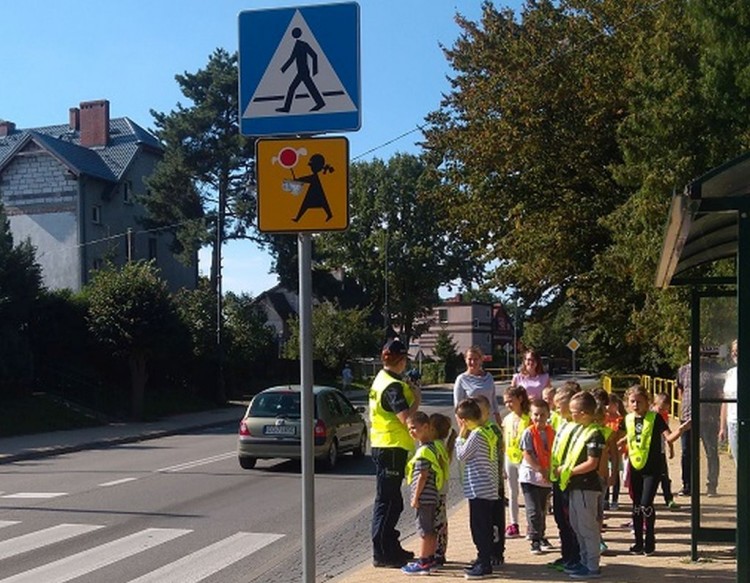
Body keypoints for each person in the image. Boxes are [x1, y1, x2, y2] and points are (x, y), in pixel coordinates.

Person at [369, 338, 421, 568]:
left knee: (392, 501)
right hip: (391, 447)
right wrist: (417, 399)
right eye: (404, 360)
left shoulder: (383, 379)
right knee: (388, 502)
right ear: (400, 360)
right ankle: (382, 553)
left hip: (386, 446)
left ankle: (391, 547)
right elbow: (405, 419)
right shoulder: (392, 387)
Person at [619, 385, 689, 556]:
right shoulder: (627, 419)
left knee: (645, 504)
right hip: (635, 467)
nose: (636, 405)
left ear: (647, 402)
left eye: (639, 402)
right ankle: (637, 542)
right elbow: (621, 438)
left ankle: (650, 540)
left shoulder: (655, 418)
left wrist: (682, 429)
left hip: (653, 468)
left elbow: (669, 437)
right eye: (632, 402)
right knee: (636, 506)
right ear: (627, 403)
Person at [555, 391, 605, 580]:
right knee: (577, 525)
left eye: (574, 411)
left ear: (584, 413)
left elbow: (592, 463)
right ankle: (584, 562)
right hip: (575, 486)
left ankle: (592, 565)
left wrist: (569, 471)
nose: (571, 414)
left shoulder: (595, 433)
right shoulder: (579, 429)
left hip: (587, 487)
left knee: (587, 527)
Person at [455, 398, 500, 580]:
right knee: (484, 525)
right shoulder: (487, 431)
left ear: (464, 420)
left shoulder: (475, 435)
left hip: (478, 489)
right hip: (488, 486)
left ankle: (484, 563)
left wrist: (460, 436)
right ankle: (483, 558)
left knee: (479, 527)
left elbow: (461, 455)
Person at [676, 347, 723, 496]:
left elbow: (720, 393)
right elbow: (680, 390)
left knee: (711, 452)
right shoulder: (683, 370)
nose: (694, 355)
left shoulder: (711, 371)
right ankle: (687, 485)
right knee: (686, 453)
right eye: (691, 352)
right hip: (688, 417)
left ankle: (712, 485)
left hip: (708, 418)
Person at [401, 411, 443, 575]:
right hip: (432, 495)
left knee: (424, 530)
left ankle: (423, 561)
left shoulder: (423, 452)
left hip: (424, 496)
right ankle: (430, 558)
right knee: (430, 529)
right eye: (409, 429)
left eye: (414, 428)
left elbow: (423, 477)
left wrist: (415, 497)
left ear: (426, 427)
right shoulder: (433, 447)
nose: (411, 432)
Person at [547, 383, 582, 573]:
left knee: (571, 521)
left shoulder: (577, 426)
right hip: (557, 477)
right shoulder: (562, 423)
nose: (555, 409)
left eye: (559, 405)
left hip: (569, 479)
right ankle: (566, 554)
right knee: (561, 519)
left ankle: (575, 556)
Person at [519, 398, 556, 555]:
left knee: (542, 509)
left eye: (542, 415)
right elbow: (527, 453)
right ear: (530, 415)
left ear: (548, 415)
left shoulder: (552, 432)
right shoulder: (528, 433)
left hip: (546, 478)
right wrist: (540, 469)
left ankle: (541, 535)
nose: (539, 418)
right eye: (535, 415)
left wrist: (549, 472)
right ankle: (534, 539)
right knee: (533, 509)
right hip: (530, 477)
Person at [474, 395, 506, 566]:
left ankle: (496, 551)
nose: (477, 415)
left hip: (493, 484)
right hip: (479, 485)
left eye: (480, 411)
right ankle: (485, 551)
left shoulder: (491, 429)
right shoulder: (476, 430)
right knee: (481, 521)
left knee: (494, 520)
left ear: (488, 412)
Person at [502, 385, 531, 539]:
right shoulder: (507, 419)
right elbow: (504, 441)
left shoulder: (528, 418)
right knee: (512, 492)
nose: (508, 405)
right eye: (506, 402)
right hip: (509, 458)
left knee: (527, 492)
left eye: (510, 401)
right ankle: (513, 524)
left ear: (520, 399)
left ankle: (530, 524)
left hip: (525, 459)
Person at [430, 413, 457, 566]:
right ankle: (440, 552)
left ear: (432, 429)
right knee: (441, 522)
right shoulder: (442, 445)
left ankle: (437, 553)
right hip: (442, 490)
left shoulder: (434, 447)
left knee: (435, 523)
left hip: (435, 490)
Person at [454, 346, 500, 424]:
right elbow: (458, 406)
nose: (472, 362)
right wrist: (462, 428)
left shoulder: (489, 377)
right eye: (469, 359)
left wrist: (498, 420)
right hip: (472, 422)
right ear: (465, 360)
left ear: (481, 360)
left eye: (475, 359)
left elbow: (493, 400)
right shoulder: (461, 379)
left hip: (489, 421)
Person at [652, 392, 678, 509]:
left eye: (665, 410)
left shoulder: (664, 417)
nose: (662, 412)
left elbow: (668, 435)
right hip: (649, 452)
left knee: (664, 477)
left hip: (661, 451)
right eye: (661, 409)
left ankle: (669, 498)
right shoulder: (650, 416)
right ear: (654, 405)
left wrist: (671, 448)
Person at [603, 392, 626, 511]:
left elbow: (623, 434)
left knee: (615, 474)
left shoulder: (621, 420)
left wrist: (620, 445)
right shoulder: (603, 419)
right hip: (606, 452)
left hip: (616, 451)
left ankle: (615, 499)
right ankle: (605, 498)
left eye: (610, 405)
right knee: (606, 473)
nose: (608, 407)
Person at [719, 339, 739, 467]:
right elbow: (725, 401)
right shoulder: (730, 373)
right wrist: (722, 427)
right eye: (733, 351)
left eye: (738, 351)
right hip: (732, 423)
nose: (734, 354)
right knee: (739, 463)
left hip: (746, 423)